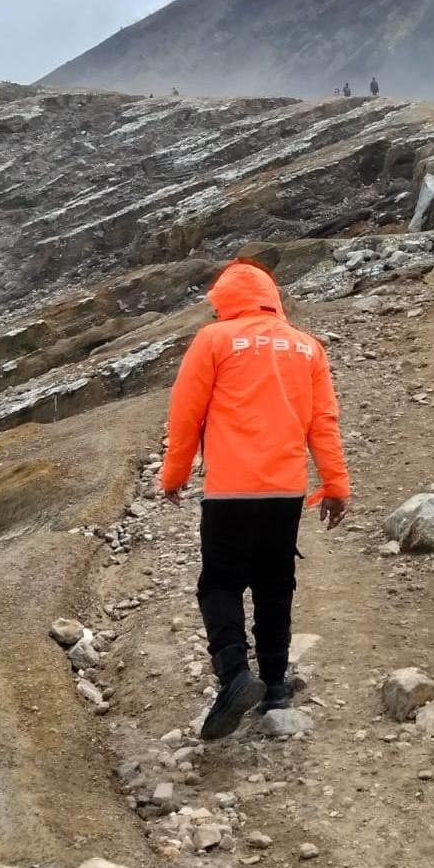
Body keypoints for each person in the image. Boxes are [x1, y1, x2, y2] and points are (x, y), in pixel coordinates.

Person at [160, 260, 350, 741]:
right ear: (271, 298)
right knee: (274, 584)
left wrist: (173, 475)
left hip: (229, 491)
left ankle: (233, 676)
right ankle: (275, 686)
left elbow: (186, 415)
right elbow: (323, 423)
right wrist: (334, 485)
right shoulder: (307, 347)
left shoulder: (213, 340)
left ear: (226, 301)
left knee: (219, 585)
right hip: (285, 491)